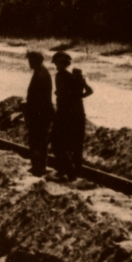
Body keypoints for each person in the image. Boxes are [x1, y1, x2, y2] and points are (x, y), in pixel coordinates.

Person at [50, 51, 93, 180]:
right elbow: (89, 91)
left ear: (62, 63)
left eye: (57, 63)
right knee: (76, 143)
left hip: (65, 113)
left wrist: (59, 94)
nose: (56, 65)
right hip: (78, 112)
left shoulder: (60, 76)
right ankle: (76, 171)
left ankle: (66, 170)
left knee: (57, 141)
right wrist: (79, 96)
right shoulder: (76, 77)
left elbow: (63, 94)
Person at [25, 51, 54, 177]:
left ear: (38, 61)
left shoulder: (42, 74)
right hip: (38, 112)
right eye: (29, 61)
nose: (29, 63)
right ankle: (37, 166)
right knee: (37, 140)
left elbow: (41, 98)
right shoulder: (39, 72)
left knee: (39, 140)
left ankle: (40, 167)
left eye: (31, 61)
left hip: (40, 113)